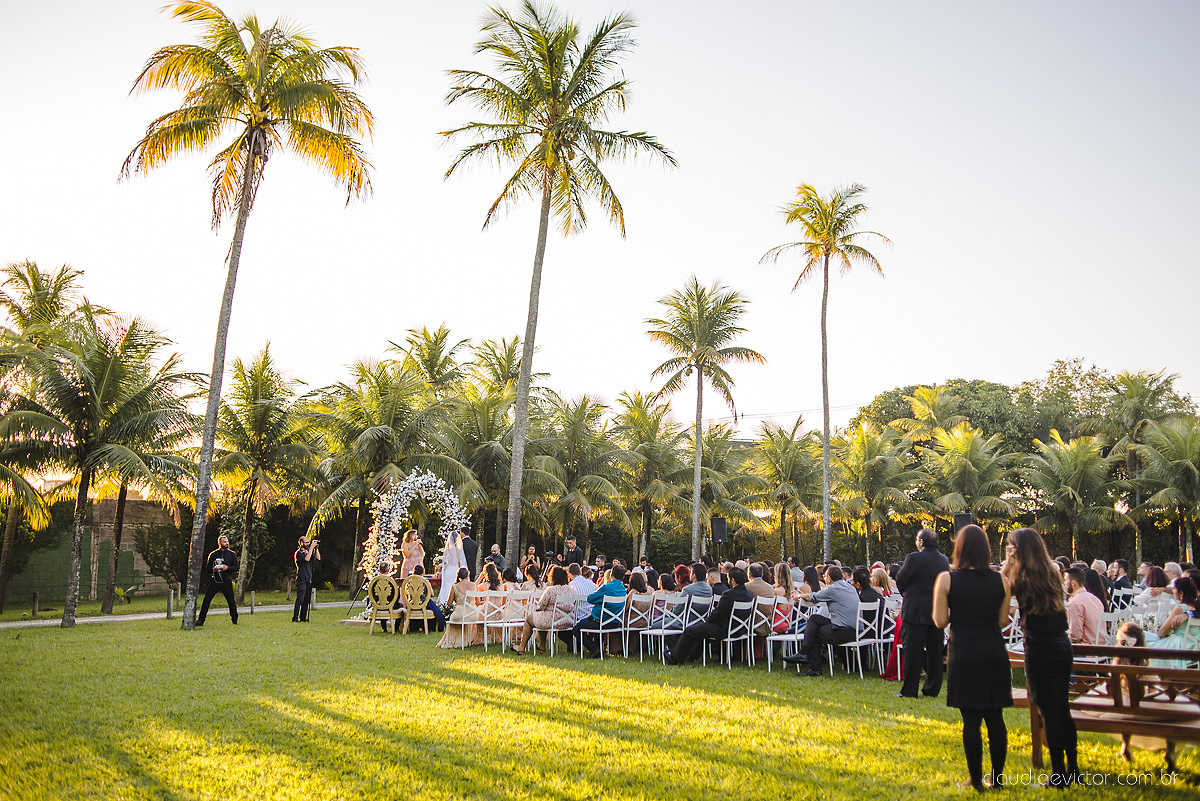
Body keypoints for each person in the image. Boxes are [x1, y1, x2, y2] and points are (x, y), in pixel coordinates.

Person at [932, 524, 1012, 791]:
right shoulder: (1001, 579)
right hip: (993, 650)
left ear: (959, 548)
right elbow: (1002, 621)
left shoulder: (947, 579)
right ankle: (997, 780)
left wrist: (961, 614)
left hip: (964, 651)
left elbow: (940, 620)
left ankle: (975, 781)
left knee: (971, 721)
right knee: (995, 717)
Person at [1003, 527, 1079, 788]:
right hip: (1061, 645)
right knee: (1062, 708)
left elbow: (999, 588)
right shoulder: (1053, 571)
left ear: (1018, 550)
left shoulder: (1020, 577)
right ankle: (1073, 768)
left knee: (1048, 712)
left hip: (1039, 648)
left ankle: (1058, 775)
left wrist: (1007, 564)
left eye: (1011, 547)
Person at [896, 529, 950, 698]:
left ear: (921, 541)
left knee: (913, 651)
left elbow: (901, 579)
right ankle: (932, 688)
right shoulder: (943, 559)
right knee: (935, 651)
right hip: (936, 609)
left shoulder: (914, 557)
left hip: (915, 610)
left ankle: (910, 690)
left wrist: (908, 593)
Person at [665, 567, 752, 665]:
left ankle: (674, 658)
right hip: (740, 629)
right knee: (701, 630)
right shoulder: (749, 594)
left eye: (728, 578)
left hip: (725, 629)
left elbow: (718, 613)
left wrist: (708, 620)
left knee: (690, 631)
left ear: (733, 580)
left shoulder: (729, 595)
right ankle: (691, 656)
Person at [784, 566, 859, 676]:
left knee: (814, 632)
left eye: (824, 576)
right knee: (814, 619)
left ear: (828, 578)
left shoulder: (832, 589)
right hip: (854, 630)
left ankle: (814, 667)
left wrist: (799, 595)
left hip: (842, 631)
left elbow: (813, 597)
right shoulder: (850, 588)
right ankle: (804, 653)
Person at [512, 565, 575, 655]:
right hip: (568, 620)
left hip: (552, 620)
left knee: (530, 619)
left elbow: (541, 605)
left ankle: (521, 647)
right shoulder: (572, 590)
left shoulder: (551, 590)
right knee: (540, 617)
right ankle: (541, 646)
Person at [570, 564, 628, 657]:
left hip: (600, 621)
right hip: (614, 622)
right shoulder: (623, 590)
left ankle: (594, 648)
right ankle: (599, 650)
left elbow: (590, 599)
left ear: (611, 574)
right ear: (623, 577)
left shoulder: (606, 588)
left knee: (577, 628)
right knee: (593, 622)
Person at [1150, 577, 1200, 669]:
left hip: (1180, 645)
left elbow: (1162, 632)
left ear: (1181, 593)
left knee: (1145, 640)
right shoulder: (1196, 608)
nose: (1173, 590)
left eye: (1174, 588)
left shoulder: (1181, 608)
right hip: (1194, 645)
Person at [197, 534, 239, 626]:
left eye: (227, 541)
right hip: (215, 580)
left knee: (231, 600)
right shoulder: (213, 554)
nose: (226, 543)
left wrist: (227, 567)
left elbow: (236, 567)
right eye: (224, 542)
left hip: (226, 580)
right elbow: (207, 569)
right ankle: (201, 620)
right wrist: (214, 569)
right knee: (207, 600)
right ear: (219, 543)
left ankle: (234, 619)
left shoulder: (232, 555)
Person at [437, 567, 484, 648]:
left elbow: (449, 603)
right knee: (464, 617)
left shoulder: (455, 586)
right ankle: (466, 640)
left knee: (454, 618)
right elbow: (478, 602)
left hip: (459, 614)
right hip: (473, 615)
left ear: (458, 576)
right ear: (467, 575)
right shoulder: (474, 586)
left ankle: (455, 640)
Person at [1065, 567, 1103, 645]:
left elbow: (1075, 636)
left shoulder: (1075, 603)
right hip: (1101, 647)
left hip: (1086, 649)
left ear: (1073, 583)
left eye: (1066, 580)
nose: (1064, 583)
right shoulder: (1095, 599)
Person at [293, 535, 320, 623]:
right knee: (300, 599)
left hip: (309, 578)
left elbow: (318, 558)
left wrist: (316, 548)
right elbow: (307, 559)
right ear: (301, 543)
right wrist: (311, 548)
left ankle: (303, 618)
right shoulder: (299, 553)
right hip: (301, 579)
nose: (308, 544)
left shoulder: (308, 551)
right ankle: (295, 618)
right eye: (306, 542)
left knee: (306, 600)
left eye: (308, 542)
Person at [438, 528, 467, 605]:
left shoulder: (447, 550)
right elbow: (461, 561)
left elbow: (445, 562)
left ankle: (445, 602)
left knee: (447, 586)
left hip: (448, 570)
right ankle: (454, 601)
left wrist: (441, 566)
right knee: (454, 585)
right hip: (456, 569)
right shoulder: (459, 549)